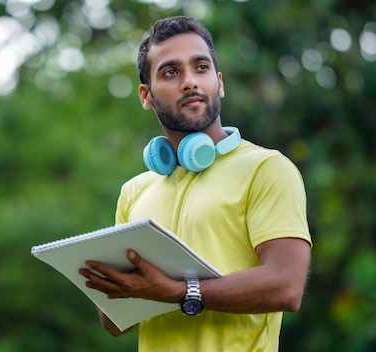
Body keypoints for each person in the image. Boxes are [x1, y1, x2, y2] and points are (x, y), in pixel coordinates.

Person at [78, 16, 312, 351]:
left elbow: (286, 286)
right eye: (170, 72)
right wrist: (109, 285)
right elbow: (114, 323)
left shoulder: (267, 168)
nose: (190, 82)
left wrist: (178, 291)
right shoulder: (135, 191)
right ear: (145, 96)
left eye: (200, 68)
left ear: (219, 82)